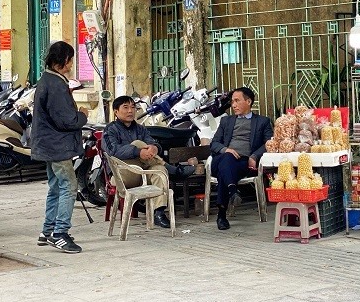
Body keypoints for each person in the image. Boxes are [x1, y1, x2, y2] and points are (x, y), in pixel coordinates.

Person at [31, 41, 89, 254]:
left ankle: (47, 230)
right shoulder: (55, 85)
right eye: (70, 59)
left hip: (48, 144)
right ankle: (60, 233)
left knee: (56, 186)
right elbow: (66, 121)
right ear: (63, 61)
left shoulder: (47, 80)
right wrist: (82, 115)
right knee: (68, 187)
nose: (71, 64)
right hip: (57, 146)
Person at [102, 96, 194, 228]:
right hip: (122, 174)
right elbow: (113, 151)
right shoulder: (110, 129)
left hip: (143, 171)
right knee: (138, 144)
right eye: (126, 107)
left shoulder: (140, 129)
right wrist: (138, 151)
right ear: (116, 111)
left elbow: (152, 142)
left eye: (133, 107)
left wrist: (155, 148)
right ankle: (174, 171)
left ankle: (159, 213)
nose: (130, 111)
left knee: (159, 171)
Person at [210, 87, 272, 230]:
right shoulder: (226, 121)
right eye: (232, 102)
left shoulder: (263, 122)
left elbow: (269, 143)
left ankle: (221, 215)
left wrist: (254, 156)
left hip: (244, 163)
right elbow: (214, 143)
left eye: (237, 101)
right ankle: (232, 191)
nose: (233, 105)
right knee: (226, 158)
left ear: (248, 101)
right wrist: (227, 149)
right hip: (223, 158)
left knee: (223, 172)